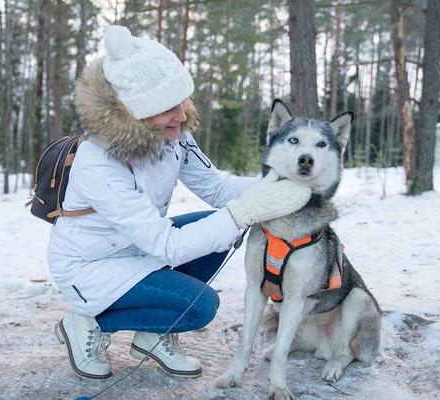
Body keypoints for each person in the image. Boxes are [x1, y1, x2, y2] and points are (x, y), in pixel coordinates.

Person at [48, 25, 312, 380]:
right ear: (133, 113)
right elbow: (168, 246)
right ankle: (86, 322)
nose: (182, 116)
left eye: (182, 102)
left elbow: (217, 188)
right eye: (168, 108)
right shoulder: (99, 164)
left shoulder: (173, 137)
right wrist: (246, 210)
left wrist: (277, 184)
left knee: (219, 228)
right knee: (199, 307)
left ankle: (153, 335)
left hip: (138, 247)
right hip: (92, 265)